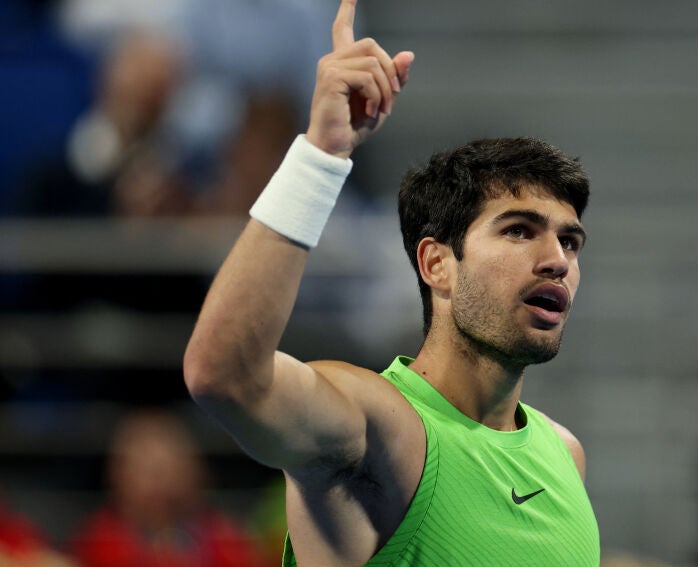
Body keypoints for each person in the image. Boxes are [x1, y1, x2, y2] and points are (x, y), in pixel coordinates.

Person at [182, 0, 600, 565]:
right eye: (519, 231)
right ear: (436, 264)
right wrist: (321, 154)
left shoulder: (565, 455)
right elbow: (224, 376)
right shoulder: (378, 427)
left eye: (569, 241)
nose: (556, 260)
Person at [71, 409, 263, 567]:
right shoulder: (96, 543)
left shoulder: (227, 541)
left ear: (198, 470)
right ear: (115, 473)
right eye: (146, 468)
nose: (159, 480)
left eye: (169, 464)